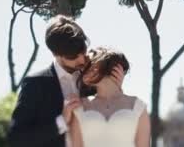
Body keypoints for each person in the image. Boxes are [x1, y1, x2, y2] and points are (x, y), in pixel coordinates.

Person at [8, 15, 125, 147]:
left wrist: (115, 88)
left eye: (83, 51)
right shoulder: (35, 84)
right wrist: (62, 121)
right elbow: (16, 138)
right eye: (74, 56)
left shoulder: (92, 76)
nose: (82, 60)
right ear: (56, 54)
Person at [64, 47, 150, 147]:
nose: (83, 68)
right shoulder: (79, 106)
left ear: (115, 68)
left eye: (91, 64)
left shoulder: (137, 106)